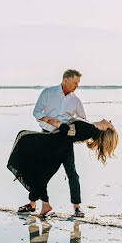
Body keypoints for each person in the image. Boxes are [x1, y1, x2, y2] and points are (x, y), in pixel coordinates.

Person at [8, 118, 118, 218]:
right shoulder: (91, 127)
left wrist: (52, 121)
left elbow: (68, 130)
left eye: (111, 125)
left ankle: (44, 204)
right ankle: (44, 204)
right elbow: (73, 134)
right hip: (61, 146)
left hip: (56, 146)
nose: (110, 121)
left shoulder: (89, 129)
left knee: (40, 171)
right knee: (43, 173)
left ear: (106, 129)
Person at [32, 69, 88, 216]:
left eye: (78, 83)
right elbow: (36, 112)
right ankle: (35, 203)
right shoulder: (48, 93)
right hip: (47, 137)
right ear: (66, 81)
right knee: (40, 172)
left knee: (72, 173)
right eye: (75, 83)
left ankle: (77, 207)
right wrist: (51, 120)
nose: (77, 86)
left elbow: (83, 120)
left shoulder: (75, 100)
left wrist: (89, 138)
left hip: (65, 140)